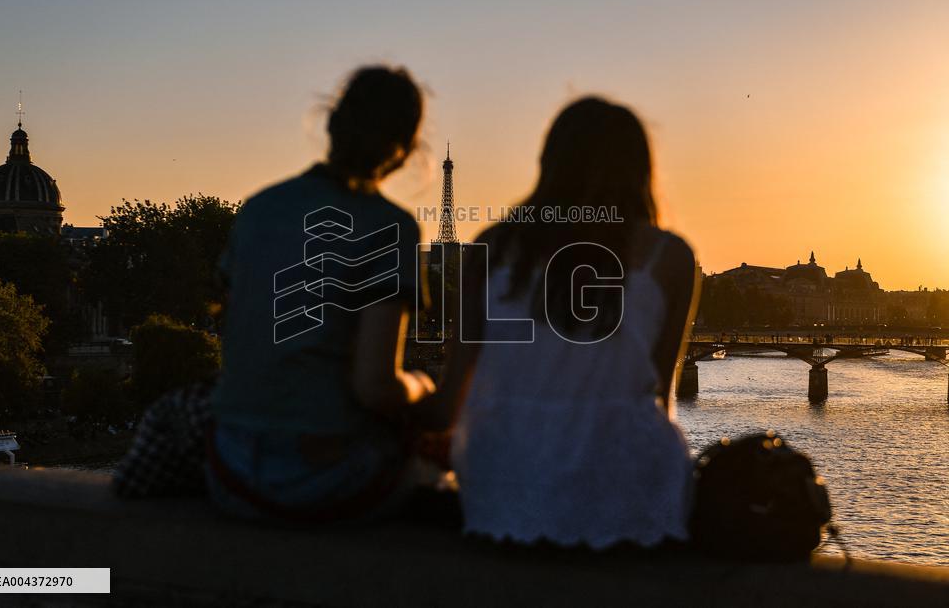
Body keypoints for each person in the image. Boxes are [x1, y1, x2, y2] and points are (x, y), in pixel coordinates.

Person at [424, 97, 700, 548]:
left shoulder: (491, 247)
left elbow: (448, 405)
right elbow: (658, 397)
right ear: (639, 171)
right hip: (625, 491)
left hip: (500, 489)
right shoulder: (668, 256)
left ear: (548, 163)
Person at [206, 66, 439, 521]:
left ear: (331, 124)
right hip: (316, 474)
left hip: (228, 466)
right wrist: (421, 386)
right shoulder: (391, 226)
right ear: (407, 149)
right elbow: (375, 388)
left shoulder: (259, 208)